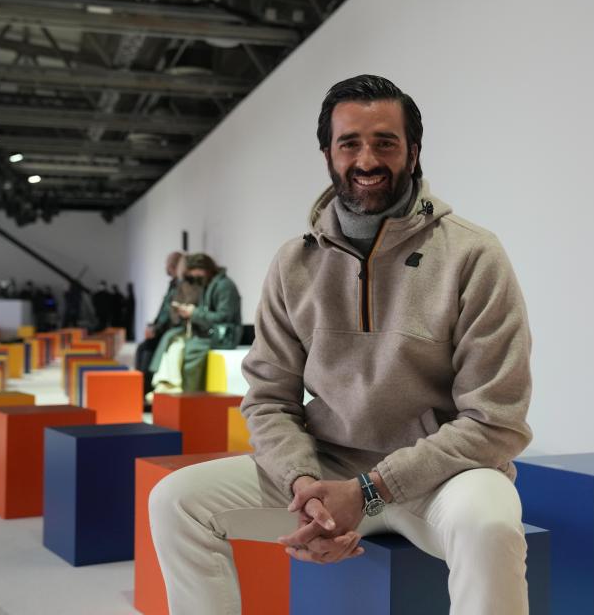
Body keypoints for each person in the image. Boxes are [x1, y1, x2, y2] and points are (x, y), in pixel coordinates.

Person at [148, 75, 533, 614]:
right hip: (326, 472)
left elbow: (496, 421)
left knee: (491, 524)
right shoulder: (293, 264)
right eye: (349, 142)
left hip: (440, 481)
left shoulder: (473, 255)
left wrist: (371, 490)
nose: (366, 159)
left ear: (414, 152)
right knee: (175, 502)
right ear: (328, 152)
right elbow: (268, 399)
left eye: (385, 142)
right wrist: (304, 485)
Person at [148, 252, 241, 394]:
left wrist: (194, 313)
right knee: (172, 342)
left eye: (194, 272)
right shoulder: (208, 284)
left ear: (204, 269)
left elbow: (224, 317)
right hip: (209, 331)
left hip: (223, 335)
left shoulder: (224, 286)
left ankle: (189, 396)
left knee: (190, 353)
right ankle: (168, 386)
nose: (193, 277)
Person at [135, 251, 182, 391]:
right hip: (162, 327)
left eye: (166, 264)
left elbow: (170, 313)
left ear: (172, 266)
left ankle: (145, 388)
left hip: (169, 329)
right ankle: (140, 388)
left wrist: (156, 329)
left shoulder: (179, 286)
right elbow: (164, 311)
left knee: (148, 348)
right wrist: (153, 326)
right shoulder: (173, 284)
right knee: (143, 347)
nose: (165, 267)